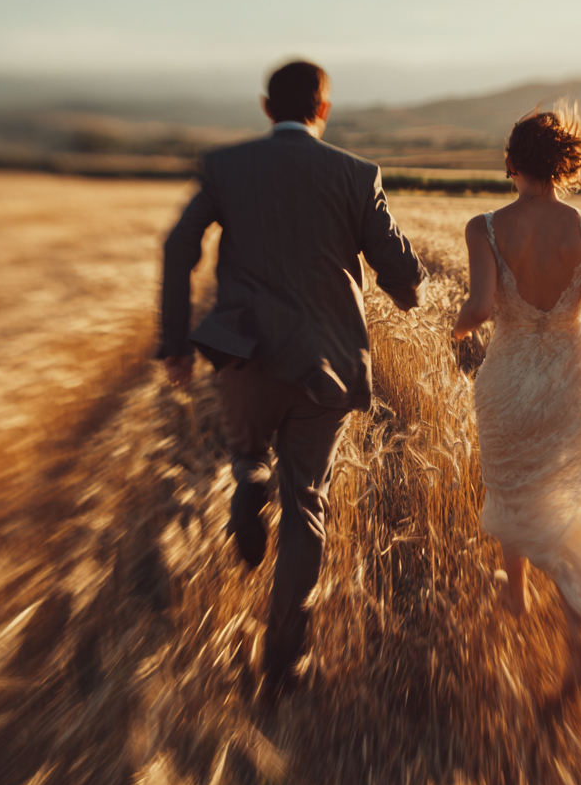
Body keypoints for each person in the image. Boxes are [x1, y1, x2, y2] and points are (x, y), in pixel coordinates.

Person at [159, 61, 427, 699]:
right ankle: (284, 661)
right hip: (325, 364)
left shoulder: (226, 166)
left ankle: (248, 474)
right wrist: (407, 286)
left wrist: (173, 345)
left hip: (243, 355)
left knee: (247, 448)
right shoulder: (356, 175)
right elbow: (398, 268)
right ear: (323, 110)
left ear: (264, 106)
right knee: (306, 500)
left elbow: (177, 246)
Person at [452, 106, 581, 692]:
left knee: (511, 481)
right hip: (572, 378)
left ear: (510, 162)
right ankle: (576, 637)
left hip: (509, 375)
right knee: (568, 498)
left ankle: (514, 591)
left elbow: (481, 308)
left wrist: (456, 328)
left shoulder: (483, 227)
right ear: (565, 166)